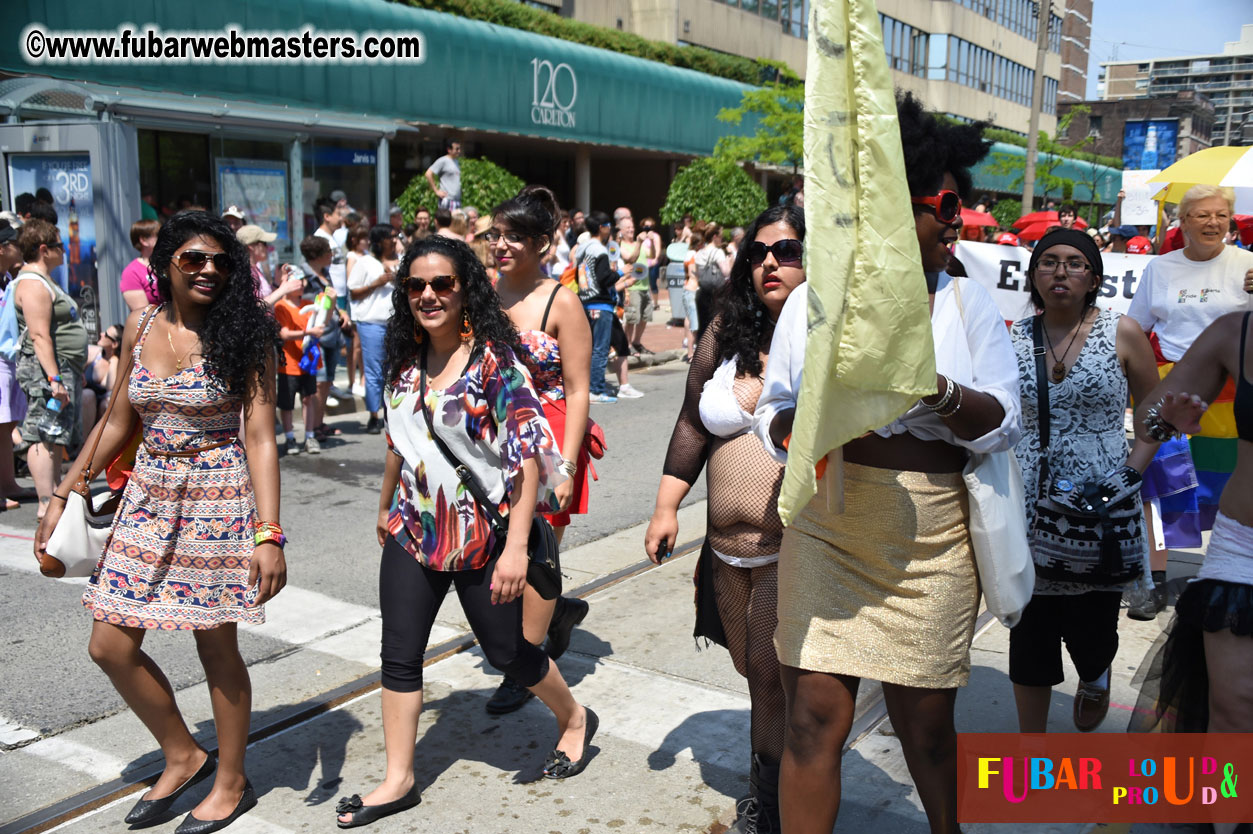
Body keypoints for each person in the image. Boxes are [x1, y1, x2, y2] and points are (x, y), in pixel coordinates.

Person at [755, 92, 1021, 834]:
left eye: (956, 208)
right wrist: (802, 424)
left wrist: (930, 389)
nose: (956, 223)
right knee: (810, 718)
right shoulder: (813, 302)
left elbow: (1001, 420)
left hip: (930, 540)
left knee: (927, 728)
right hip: (829, 520)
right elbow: (770, 408)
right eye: (944, 207)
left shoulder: (967, 306)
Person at [35, 210, 284, 834]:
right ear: (165, 264)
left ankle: (230, 782)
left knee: (215, 644)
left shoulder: (247, 334)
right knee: (109, 644)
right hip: (147, 494)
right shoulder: (142, 323)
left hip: (217, 500)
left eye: (222, 262)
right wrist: (63, 494)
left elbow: (259, 438)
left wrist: (269, 533)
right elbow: (117, 422)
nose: (208, 271)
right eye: (193, 260)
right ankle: (183, 753)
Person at [336, 235, 596, 828]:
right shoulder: (403, 364)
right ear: (405, 295)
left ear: (464, 291)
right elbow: (401, 446)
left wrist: (515, 549)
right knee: (398, 655)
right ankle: (399, 778)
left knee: (509, 653)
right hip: (413, 531)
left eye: (442, 284)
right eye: (417, 286)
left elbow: (529, 459)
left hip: (483, 537)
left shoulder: (494, 361)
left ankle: (574, 718)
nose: (429, 295)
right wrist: (383, 508)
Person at [646, 204, 807, 834]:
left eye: (788, 250)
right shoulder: (725, 328)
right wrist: (666, 506)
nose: (771, 262)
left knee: (769, 677)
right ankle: (789, 771)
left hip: (788, 545)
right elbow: (692, 418)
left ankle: (772, 807)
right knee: (750, 670)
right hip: (724, 547)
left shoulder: (824, 333)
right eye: (759, 252)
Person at [1007, 229, 1162, 734]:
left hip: (1101, 500)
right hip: (1027, 499)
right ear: (1033, 275)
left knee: (1092, 622)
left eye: (1075, 263)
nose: (1060, 272)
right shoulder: (1013, 336)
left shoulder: (1123, 332)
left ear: (1094, 278)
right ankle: (1032, 746)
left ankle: (1095, 674)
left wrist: (1132, 472)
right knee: (1029, 625)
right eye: (1048, 262)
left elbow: (1153, 412)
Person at [1129, 313, 1253, 834]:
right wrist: (1169, 418)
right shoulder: (1237, 332)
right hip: (1243, 550)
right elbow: (1148, 422)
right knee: (1234, 707)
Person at [486, 185, 595, 715]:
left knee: (533, 554)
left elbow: (578, 389)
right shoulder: (480, 293)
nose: (500, 245)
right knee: (493, 551)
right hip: (490, 441)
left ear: (542, 244)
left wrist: (568, 465)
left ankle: (522, 664)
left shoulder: (562, 300)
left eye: (514, 237)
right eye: (495, 234)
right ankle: (556, 616)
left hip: (549, 444)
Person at [1125, 184, 1253, 619]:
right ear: (1182, 222)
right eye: (1201, 215)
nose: (1212, 223)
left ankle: (1221, 574)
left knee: (1225, 488)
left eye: (1221, 214)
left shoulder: (1249, 265)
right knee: (1159, 488)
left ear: (1231, 220)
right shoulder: (1160, 269)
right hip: (1173, 389)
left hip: (1232, 398)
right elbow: (1135, 329)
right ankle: (1152, 583)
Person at [12, 219, 89, 520]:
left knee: (56, 432)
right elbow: (39, 334)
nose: (64, 250)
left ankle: (54, 493)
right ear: (44, 249)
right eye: (59, 246)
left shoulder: (44, 280)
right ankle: (46, 501)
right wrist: (54, 378)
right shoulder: (32, 283)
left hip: (62, 368)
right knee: (43, 431)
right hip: (47, 371)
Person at [348, 224, 398, 433]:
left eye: (396, 236)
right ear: (379, 242)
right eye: (391, 237)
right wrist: (376, 283)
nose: (395, 240)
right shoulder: (365, 263)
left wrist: (398, 280)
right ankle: (374, 415)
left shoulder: (401, 261)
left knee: (393, 370)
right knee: (374, 371)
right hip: (371, 324)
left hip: (395, 323)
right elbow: (353, 293)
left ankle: (392, 413)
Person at [300, 235, 349, 442]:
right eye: (328, 252)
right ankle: (313, 427)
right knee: (318, 384)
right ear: (317, 255)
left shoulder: (324, 273)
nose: (331, 256)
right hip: (317, 335)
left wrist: (341, 311)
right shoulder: (303, 275)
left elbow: (331, 300)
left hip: (332, 333)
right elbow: (305, 303)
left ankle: (319, 423)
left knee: (328, 381)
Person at [0, 220, 35, 510]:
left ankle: (8, 483)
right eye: (13, 243)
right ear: (1, 249)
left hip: (7, 360)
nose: (19, 248)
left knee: (6, 424)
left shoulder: (7, 279)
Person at [273, 269, 323, 456]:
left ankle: (309, 436)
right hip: (289, 364)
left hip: (308, 362)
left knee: (308, 399)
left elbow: (320, 324)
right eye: (297, 281)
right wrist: (308, 333)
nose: (301, 284)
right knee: (287, 404)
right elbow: (284, 334)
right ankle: (290, 437)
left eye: (303, 281)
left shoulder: (309, 304)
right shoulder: (281, 306)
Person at [692, 223, 731, 344]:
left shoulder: (699, 252)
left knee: (703, 325)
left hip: (702, 292)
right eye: (720, 236)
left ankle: (701, 352)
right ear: (714, 237)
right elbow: (726, 272)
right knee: (716, 325)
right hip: (716, 294)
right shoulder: (717, 252)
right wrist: (730, 261)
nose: (722, 239)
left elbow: (697, 273)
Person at [81, 324, 122, 433]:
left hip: (102, 408)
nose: (101, 334)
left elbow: (110, 387)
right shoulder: (97, 353)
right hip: (87, 402)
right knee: (88, 395)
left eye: (106, 335)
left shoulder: (117, 362)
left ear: (114, 344)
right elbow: (76, 359)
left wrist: (113, 359)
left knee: (107, 403)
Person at [119, 219, 162, 313]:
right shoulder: (132, 272)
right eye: (158, 236)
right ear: (144, 240)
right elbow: (144, 314)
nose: (163, 239)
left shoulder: (168, 265)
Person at [424, 138, 462, 210]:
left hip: (457, 200)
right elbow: (428, 174)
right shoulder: (443, 160)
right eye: (456, 149)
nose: (459, 151)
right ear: (449, 150)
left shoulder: (456, 161)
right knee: (447, 221)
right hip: (447, 200)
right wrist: (436, 191)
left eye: (459, 149)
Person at [638, 216, 664, 314]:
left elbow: (658, 249)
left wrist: (655, 259)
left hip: (652, 263)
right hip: (643, 263)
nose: (648, 227)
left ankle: (655, 303)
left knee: (653, 283)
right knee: (642, 283)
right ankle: (644, 302)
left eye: (650, 226)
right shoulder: (641, 236)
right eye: (646, 225)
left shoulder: (656, 236)